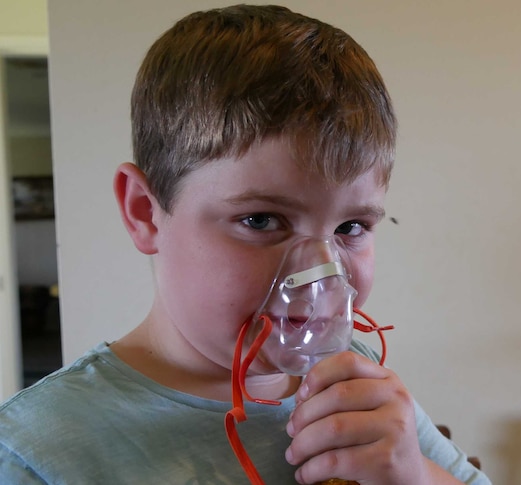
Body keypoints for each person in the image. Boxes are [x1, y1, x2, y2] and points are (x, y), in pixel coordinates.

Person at [0, 5, 491, 485]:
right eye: (261, 220)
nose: (320, 277)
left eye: (351, 227)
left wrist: (414, 475)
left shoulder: (351, 377)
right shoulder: (35, 455)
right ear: (145, 212)